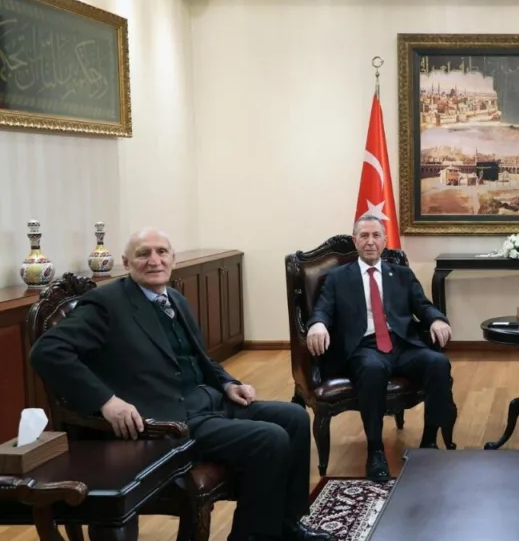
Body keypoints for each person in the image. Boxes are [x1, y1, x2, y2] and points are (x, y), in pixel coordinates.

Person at [29, 228, 329, 541]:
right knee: (269, 439)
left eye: (162, 252)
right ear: (126, 262)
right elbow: (47, 351)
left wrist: (228, 383)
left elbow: (199, 358)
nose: (154, 260)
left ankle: (287, 526)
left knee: (294, 417)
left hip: (208, 402)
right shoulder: (106, 304)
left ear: (172, 258)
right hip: (166, 420)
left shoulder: (175, 299)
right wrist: (106, 401)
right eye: (143, 254)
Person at [306, 214, 455, 483]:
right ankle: (375, 451)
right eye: (364, 236)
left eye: (376, 235)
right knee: (372, 369)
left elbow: (422, 306)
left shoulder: (401, 274)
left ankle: (429, 443)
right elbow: (323, 309)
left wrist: (436, 319)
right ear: (355, 241)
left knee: (438, 363)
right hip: (365, 347)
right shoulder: (338, 278)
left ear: (385, 241)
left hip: (403, 344)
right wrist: (317, 324)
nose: (370, 241)